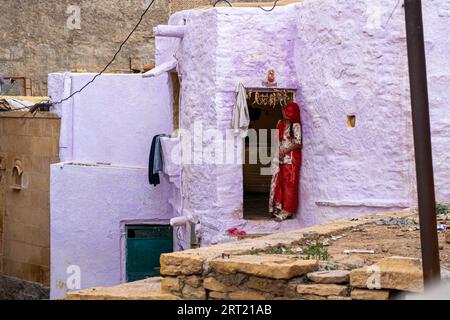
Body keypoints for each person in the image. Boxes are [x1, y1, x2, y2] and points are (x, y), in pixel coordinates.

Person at [269, 102, 302, 222]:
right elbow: (276, 139)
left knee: (289, 185)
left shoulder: (295, 126)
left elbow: (297, 143)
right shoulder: (280, 123)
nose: (284, 113)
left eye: (287, 111)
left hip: (291, 159)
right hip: (280, 157)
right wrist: (277, 151)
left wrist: (284, 151)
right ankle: (278, 207)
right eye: (284, 111)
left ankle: (286, 211)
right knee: (279, 182)